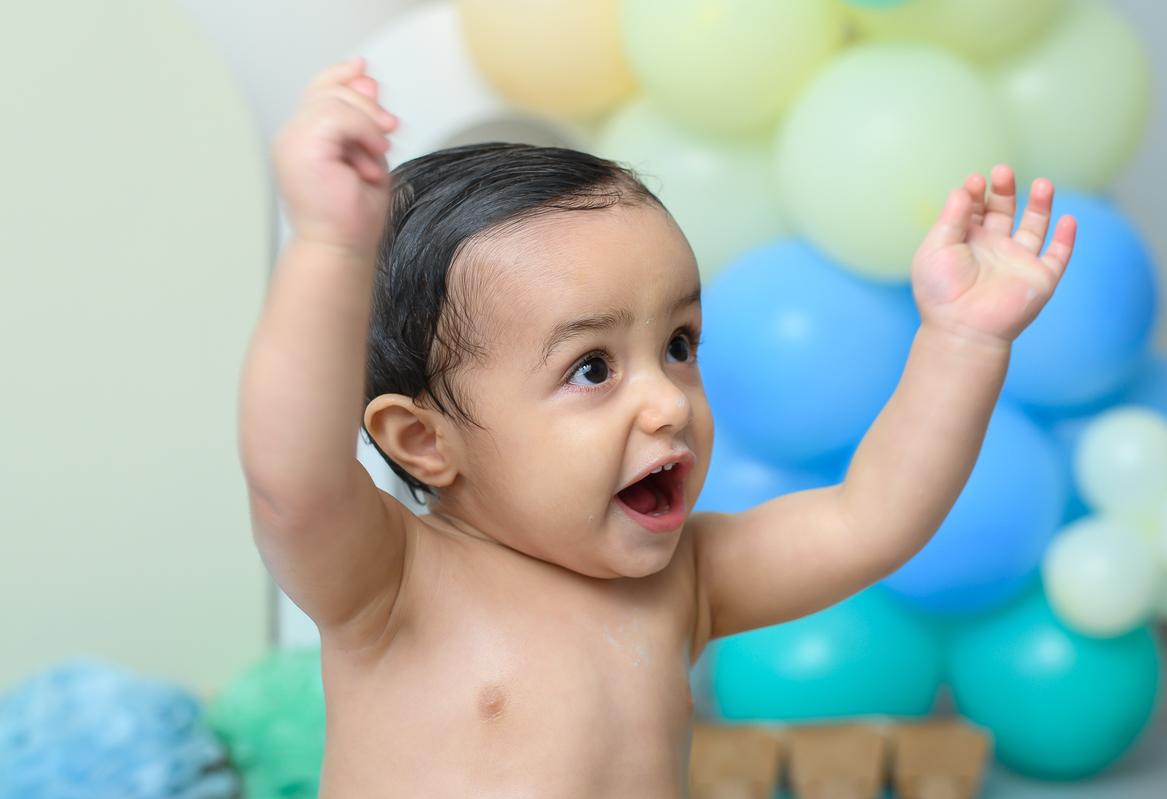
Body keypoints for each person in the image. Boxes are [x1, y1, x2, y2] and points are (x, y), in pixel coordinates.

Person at [238, 58, 1076, 797]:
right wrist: (326, 247)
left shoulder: (685, 578)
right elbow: (295, 481)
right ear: (423, 441)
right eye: (592, 368)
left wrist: (963, 340)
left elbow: (873, 514)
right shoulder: (393, 582)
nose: (670, 401)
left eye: (678, 345)